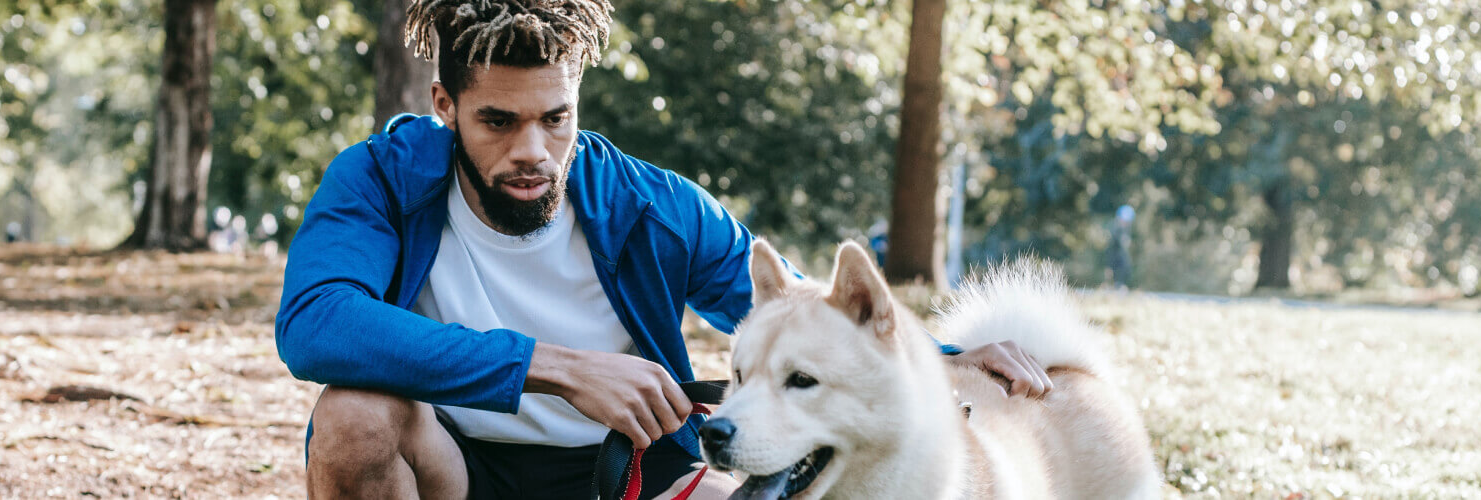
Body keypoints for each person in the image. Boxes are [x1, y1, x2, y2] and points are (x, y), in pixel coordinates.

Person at [274, 1, 1054, 498]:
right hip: (454, 465)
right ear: (445, 104)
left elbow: (804, 306)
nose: (534, 150)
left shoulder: (652, 205)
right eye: (499, 122)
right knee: (352, 420)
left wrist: (943, 353)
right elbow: (316, 323)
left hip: (627, 471)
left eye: (555, 118)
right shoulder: (380, 179)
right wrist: (557, 368)